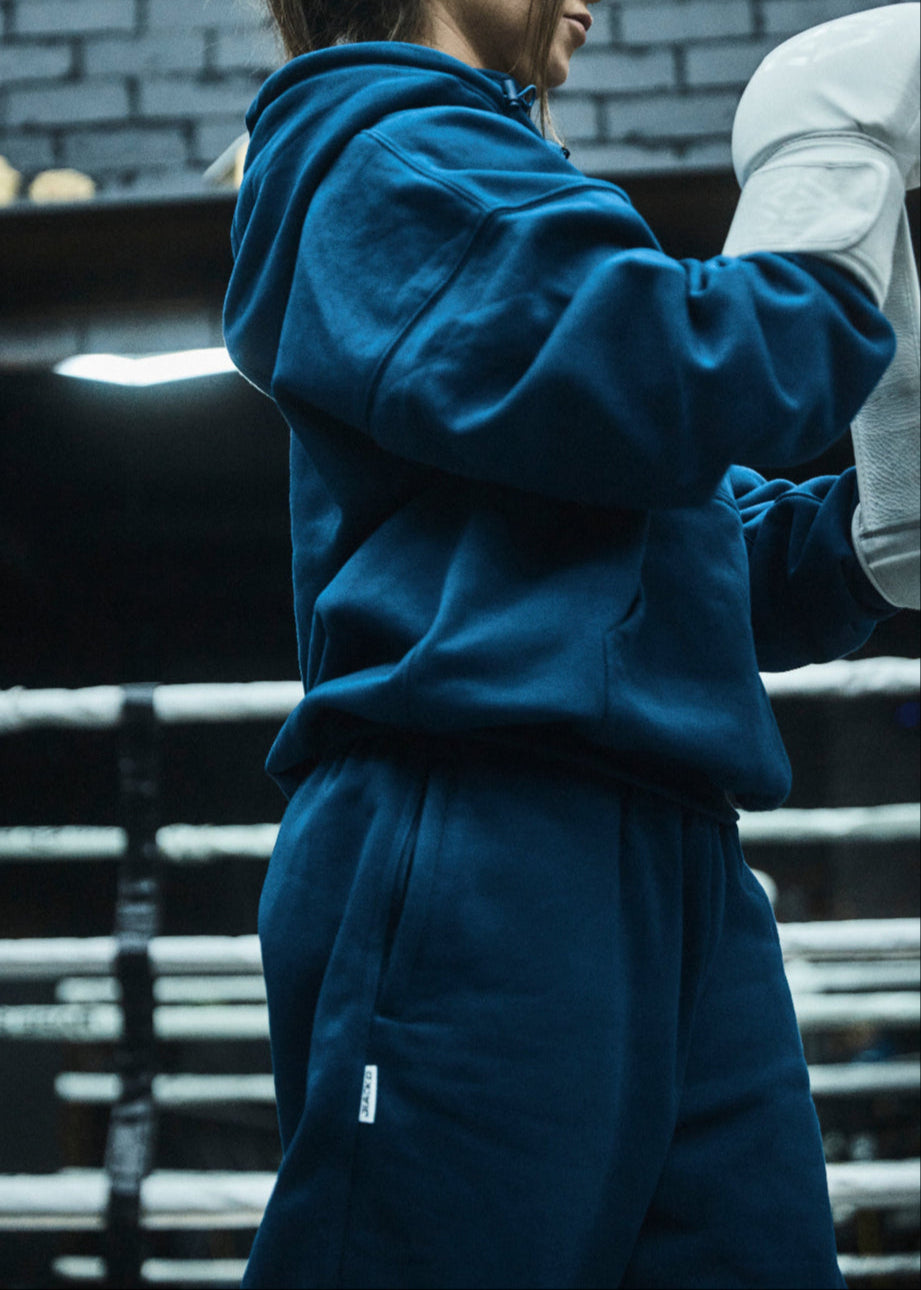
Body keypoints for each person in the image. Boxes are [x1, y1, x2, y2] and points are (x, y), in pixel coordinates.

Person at [223, 2, 919, 1285]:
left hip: (668, 846)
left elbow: (679, 558)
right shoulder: (385, 158)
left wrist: (882, 532)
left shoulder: (505, 185)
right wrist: (830, 135)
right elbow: (694, 379)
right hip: (487, 835)